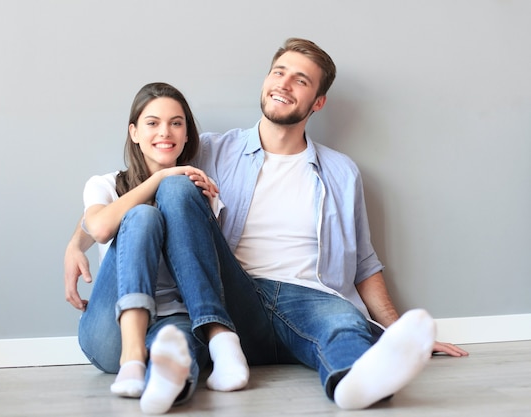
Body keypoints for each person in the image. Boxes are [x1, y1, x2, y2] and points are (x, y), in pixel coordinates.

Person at [65, 39, 468, 410]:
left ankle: (354, 383)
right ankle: (185, 367)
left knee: (343, 323)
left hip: (308, 295)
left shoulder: (342, 173)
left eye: (301, 79)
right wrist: (75, 245)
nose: (285, 84)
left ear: (318, 101)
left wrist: (396, 330)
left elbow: (364, 264)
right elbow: (130, 191)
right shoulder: (209, 149)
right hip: (235, 290)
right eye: (279, 72)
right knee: (174, 194)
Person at [67, 82, 249, 414]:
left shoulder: (197, 189)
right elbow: (100, 226)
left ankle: (167, 385)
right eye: (152, 123)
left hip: (176, 318)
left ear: (187, 133)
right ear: (134, 132)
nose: (165, 132)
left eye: (176, 123)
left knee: (178, 354)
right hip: (111, 333)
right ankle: (132, 359)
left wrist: (195, 200)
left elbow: (208, 271)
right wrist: (159, 179)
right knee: (142, 217)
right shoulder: (104, 184)